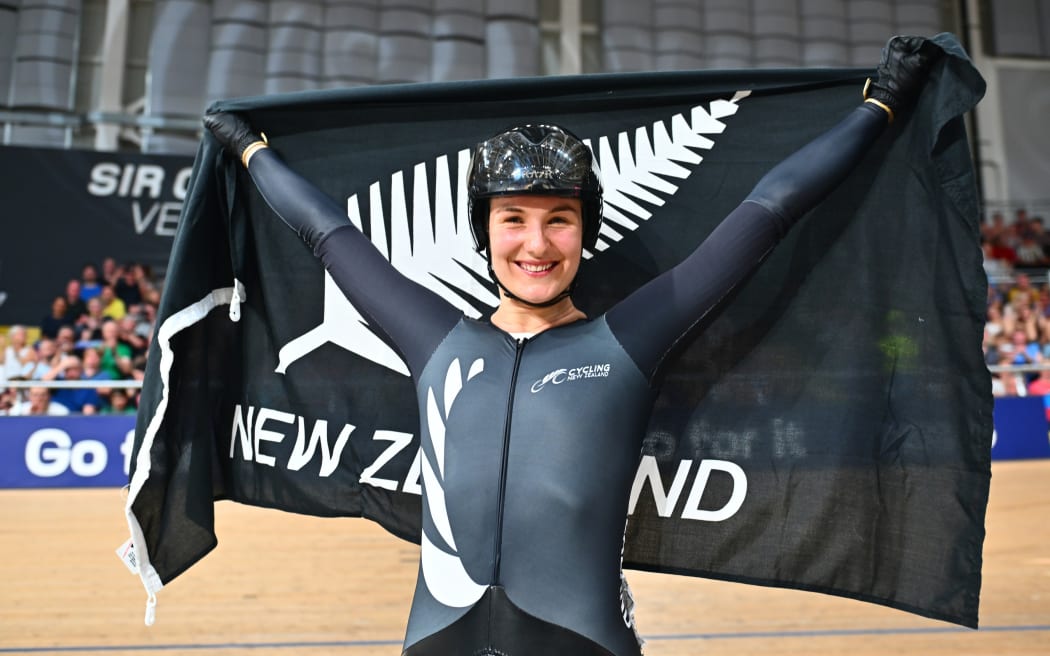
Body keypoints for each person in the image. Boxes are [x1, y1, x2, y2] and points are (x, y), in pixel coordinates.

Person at [205, 36, 937, 656]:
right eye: (513, 219)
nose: (535, 243)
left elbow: (771, 210)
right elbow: (326, 232)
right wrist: (247, 149)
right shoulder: (429, 336)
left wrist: (882, 106)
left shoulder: (633, 338)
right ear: (482, 232)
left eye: (559, 219)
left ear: (585, 232)